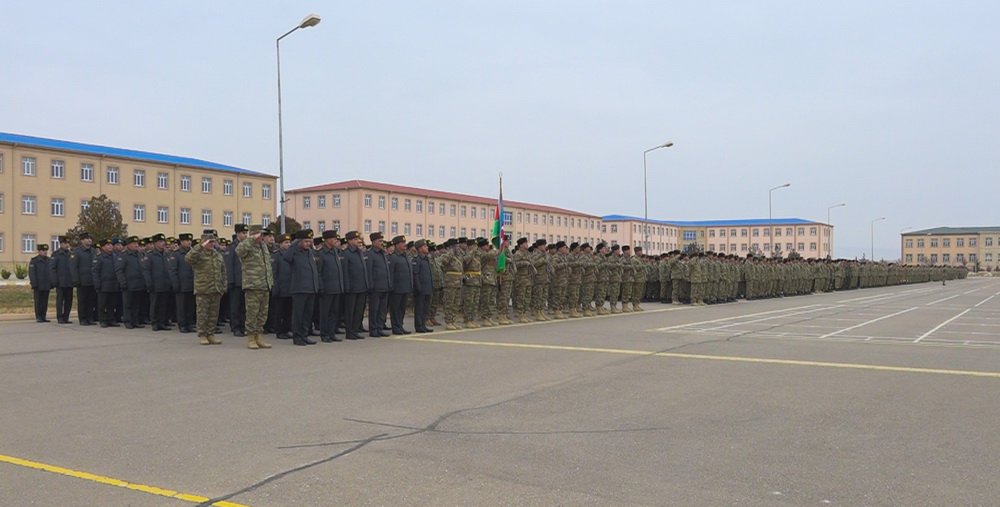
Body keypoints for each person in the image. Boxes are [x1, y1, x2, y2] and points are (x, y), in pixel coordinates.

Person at [186, 230, 227, 345]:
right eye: (209, 242)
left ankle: (211, 334)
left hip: (216, 289)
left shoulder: (217, 255)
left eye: (213, 242)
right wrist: (200, 246)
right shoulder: (198, 254)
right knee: (203, 313)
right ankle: (203, 335)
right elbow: (188, 258)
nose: (212, 244)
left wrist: (223, 287)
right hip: (203, 289)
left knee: (213, 314)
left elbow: (223, 271)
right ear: (203, 242)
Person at [236, 225, 274, 349]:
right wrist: (251, 239)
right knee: (252, 313)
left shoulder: (263, 246)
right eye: (260, 235)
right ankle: (251, 337)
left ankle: (259, 336)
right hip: (253, 284)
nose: (262, 237)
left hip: (265, 284)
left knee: (263, 313)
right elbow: (239, 251)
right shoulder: (247, 245)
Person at [283, 229, 320, 346]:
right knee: (298, 314)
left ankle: (304, 335)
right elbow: (286, 257)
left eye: (310, 241)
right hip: (299, 289)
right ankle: (297, 337)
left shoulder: (309, 252)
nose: (308, 244)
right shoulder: (294, 252)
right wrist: (294, 245)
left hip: (311, 288)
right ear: (299, 241)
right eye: (306, 241)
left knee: (307, 314)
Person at [317, 230, 347, 342]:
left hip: (336, 287)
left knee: (334, 312)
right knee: (325, 312)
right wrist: (321, 287)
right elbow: (319, 272)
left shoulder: (336, 252)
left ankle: (331, 332)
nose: (336, 241)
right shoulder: (321, 253)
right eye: (334, 239)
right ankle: (324, 334)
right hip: (327, 288)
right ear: (328, 240)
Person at [341, 231, 370, 340]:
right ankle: (350, 332)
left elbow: (363, 270)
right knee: (350, 311)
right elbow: (345, 272)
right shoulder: (346, 253)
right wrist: (347, 286)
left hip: (361, 286)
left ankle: (355, 329)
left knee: (358, 311)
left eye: (358, 239)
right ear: (349, 241)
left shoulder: (360, 252)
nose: (357, 241)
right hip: (352, 287)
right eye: (354, 239)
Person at [142, 233, 173, 331]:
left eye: (163, 241)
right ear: (155, 244)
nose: (163, 243)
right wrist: (149, 283)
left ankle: (162, 322)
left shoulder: (167, 254)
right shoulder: (150, 255)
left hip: (165, 284)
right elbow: (146, 271)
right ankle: (155, 323)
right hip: (155, 284)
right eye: (160, 242)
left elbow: (170, 269)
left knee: (163, 305)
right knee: (155, 305)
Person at [115, 236, 147, 328]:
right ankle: (128, 321)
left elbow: (143, 269)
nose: (136, 245)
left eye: (137, 243)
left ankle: (135, 321)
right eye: (134, 243)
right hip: (128, 284)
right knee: (127, 304)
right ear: (128, 245)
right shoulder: (124, 255)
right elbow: (119, 270)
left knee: (136, 304)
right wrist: (123, 282)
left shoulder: (140, 255)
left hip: (139, 284)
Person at [168, 233, 196, 333]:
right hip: (181, 284)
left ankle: (189, 323)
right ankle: (182, 325)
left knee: (190, 306)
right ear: (181, 242)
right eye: (186, 241)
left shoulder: (193, 253)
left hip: (192, 284)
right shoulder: (176, 254)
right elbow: (172, 270)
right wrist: (175, 284)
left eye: (190, 241)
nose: (189, 242)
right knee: (181, 306)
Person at [367, 232, 392, 337]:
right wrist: (370, 285)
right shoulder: (370, 254)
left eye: (382, 241)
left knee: (382, 310)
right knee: (374, 309)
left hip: (384, 286)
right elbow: (369, 271)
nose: (382, 243)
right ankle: (373, 329)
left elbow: (386, 270)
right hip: (375, 287)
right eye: (379, 241)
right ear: (373, 242)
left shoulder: (383, 253)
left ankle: (380, 327)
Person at [388, 235, 413, 334]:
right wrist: (391, 287)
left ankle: (400, 326)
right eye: (402, 243)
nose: (404, 245)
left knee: (402, 309)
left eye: (404, 242)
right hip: (396, 288)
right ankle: (395, 327)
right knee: (395, 309)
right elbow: (391, 273)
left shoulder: (406, 256)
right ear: (397, 245)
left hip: (405, 287)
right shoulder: (393, 257)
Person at [91, 240, 119, 327]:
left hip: (113, 284)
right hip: (103, 284)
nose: (110, 246)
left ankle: (111, 320)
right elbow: (95, 272)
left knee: (112, 304)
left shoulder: (115, 257)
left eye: (111, 244)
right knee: (102, 304)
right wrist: (97, 284)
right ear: (102, 247)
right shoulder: (99, 258)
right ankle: (103, 320)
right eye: (108, 245)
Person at [226, 224, 248, 337]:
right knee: (235, 305)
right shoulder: (232, 246)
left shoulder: (246, 245)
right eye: (243, 233)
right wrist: (230, 280)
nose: (245, 235)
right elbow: (229, 265)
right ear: (238, 233)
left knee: (244, 306)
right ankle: (235, 327)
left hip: (245, 280)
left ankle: (243, 326)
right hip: (236, 281)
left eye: (246, 233)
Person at [71, 232, 97, 326]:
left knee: (91, 300)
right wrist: (76, 280)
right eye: (87, 238)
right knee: (82, 301)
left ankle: (90, 318)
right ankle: (82, 318)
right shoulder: (76, 252)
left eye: (90, 238)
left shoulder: (93, 251)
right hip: (82, 281)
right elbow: (73, 267)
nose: (89, 240)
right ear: (82, 240)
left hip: (92, 280)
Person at [50, 235, 75, 324]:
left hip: (70, 281)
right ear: (61, 244)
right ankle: (60, 317)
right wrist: (54, 280)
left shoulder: (71, 254)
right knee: (60, 300)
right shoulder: (56, 254)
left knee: (69, 300)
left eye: (68, 243)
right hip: (60, 281)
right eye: (65, 243)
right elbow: (52, 268)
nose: (67, 245)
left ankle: (66, 317)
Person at [412, 239, 434, 333]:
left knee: (426, 308)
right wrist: (418, 287)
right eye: (425, 246)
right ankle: (419, 326)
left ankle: (423, 324)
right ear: (420, 249)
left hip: (428, 288)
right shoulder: (417, 260)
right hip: (421, 289)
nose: (427, 248)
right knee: (419, 308)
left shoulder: (426, 259)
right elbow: (415, 274)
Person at [28, 243, 52, 323]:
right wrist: (34, 284)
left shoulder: (49, 260)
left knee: (45, 301)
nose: (45, 252)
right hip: (38, 285)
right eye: (43, 250)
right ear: (39, 251)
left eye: (46, 250)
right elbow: (32, 273)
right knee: (38, 301)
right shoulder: (34, 261)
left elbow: (51, 272)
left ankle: (43, 316)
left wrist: (51, 283)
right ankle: (38, 316)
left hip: (46, 284)